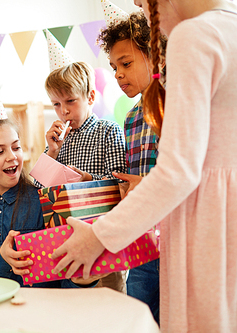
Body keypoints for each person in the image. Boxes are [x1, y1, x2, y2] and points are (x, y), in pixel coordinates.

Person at [52, 0, 237, 331]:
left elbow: (178, 171)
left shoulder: (193, 35)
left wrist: (99, 237)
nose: (137, 2)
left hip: (204, 227)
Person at [0, 118, 104, 288]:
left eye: (16, 147)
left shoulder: (45, 201)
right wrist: (1, 257)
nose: (12, 156)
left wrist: (84, 281)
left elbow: (65, 275)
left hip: (41, 308)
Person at [97, 11, 167, 324]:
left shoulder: (175, 102)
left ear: (155, 55)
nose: (117, 74)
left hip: (173, 236)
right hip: (141, 240)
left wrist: (147, 185)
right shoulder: (130, 119)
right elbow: (133, 177)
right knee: (138, 318)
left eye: (126, 63)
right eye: (114, 67)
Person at [37, 62, 128, 293]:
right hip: (66, 243)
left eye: (70, 101)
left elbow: (120, 184)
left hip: (102, 243)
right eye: (56, 104)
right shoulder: (58, 142)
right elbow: (38, 190)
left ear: (90, 97)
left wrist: (87, 178)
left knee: (110, 312)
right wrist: (52, 152)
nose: (63, 111)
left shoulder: (108, 130)